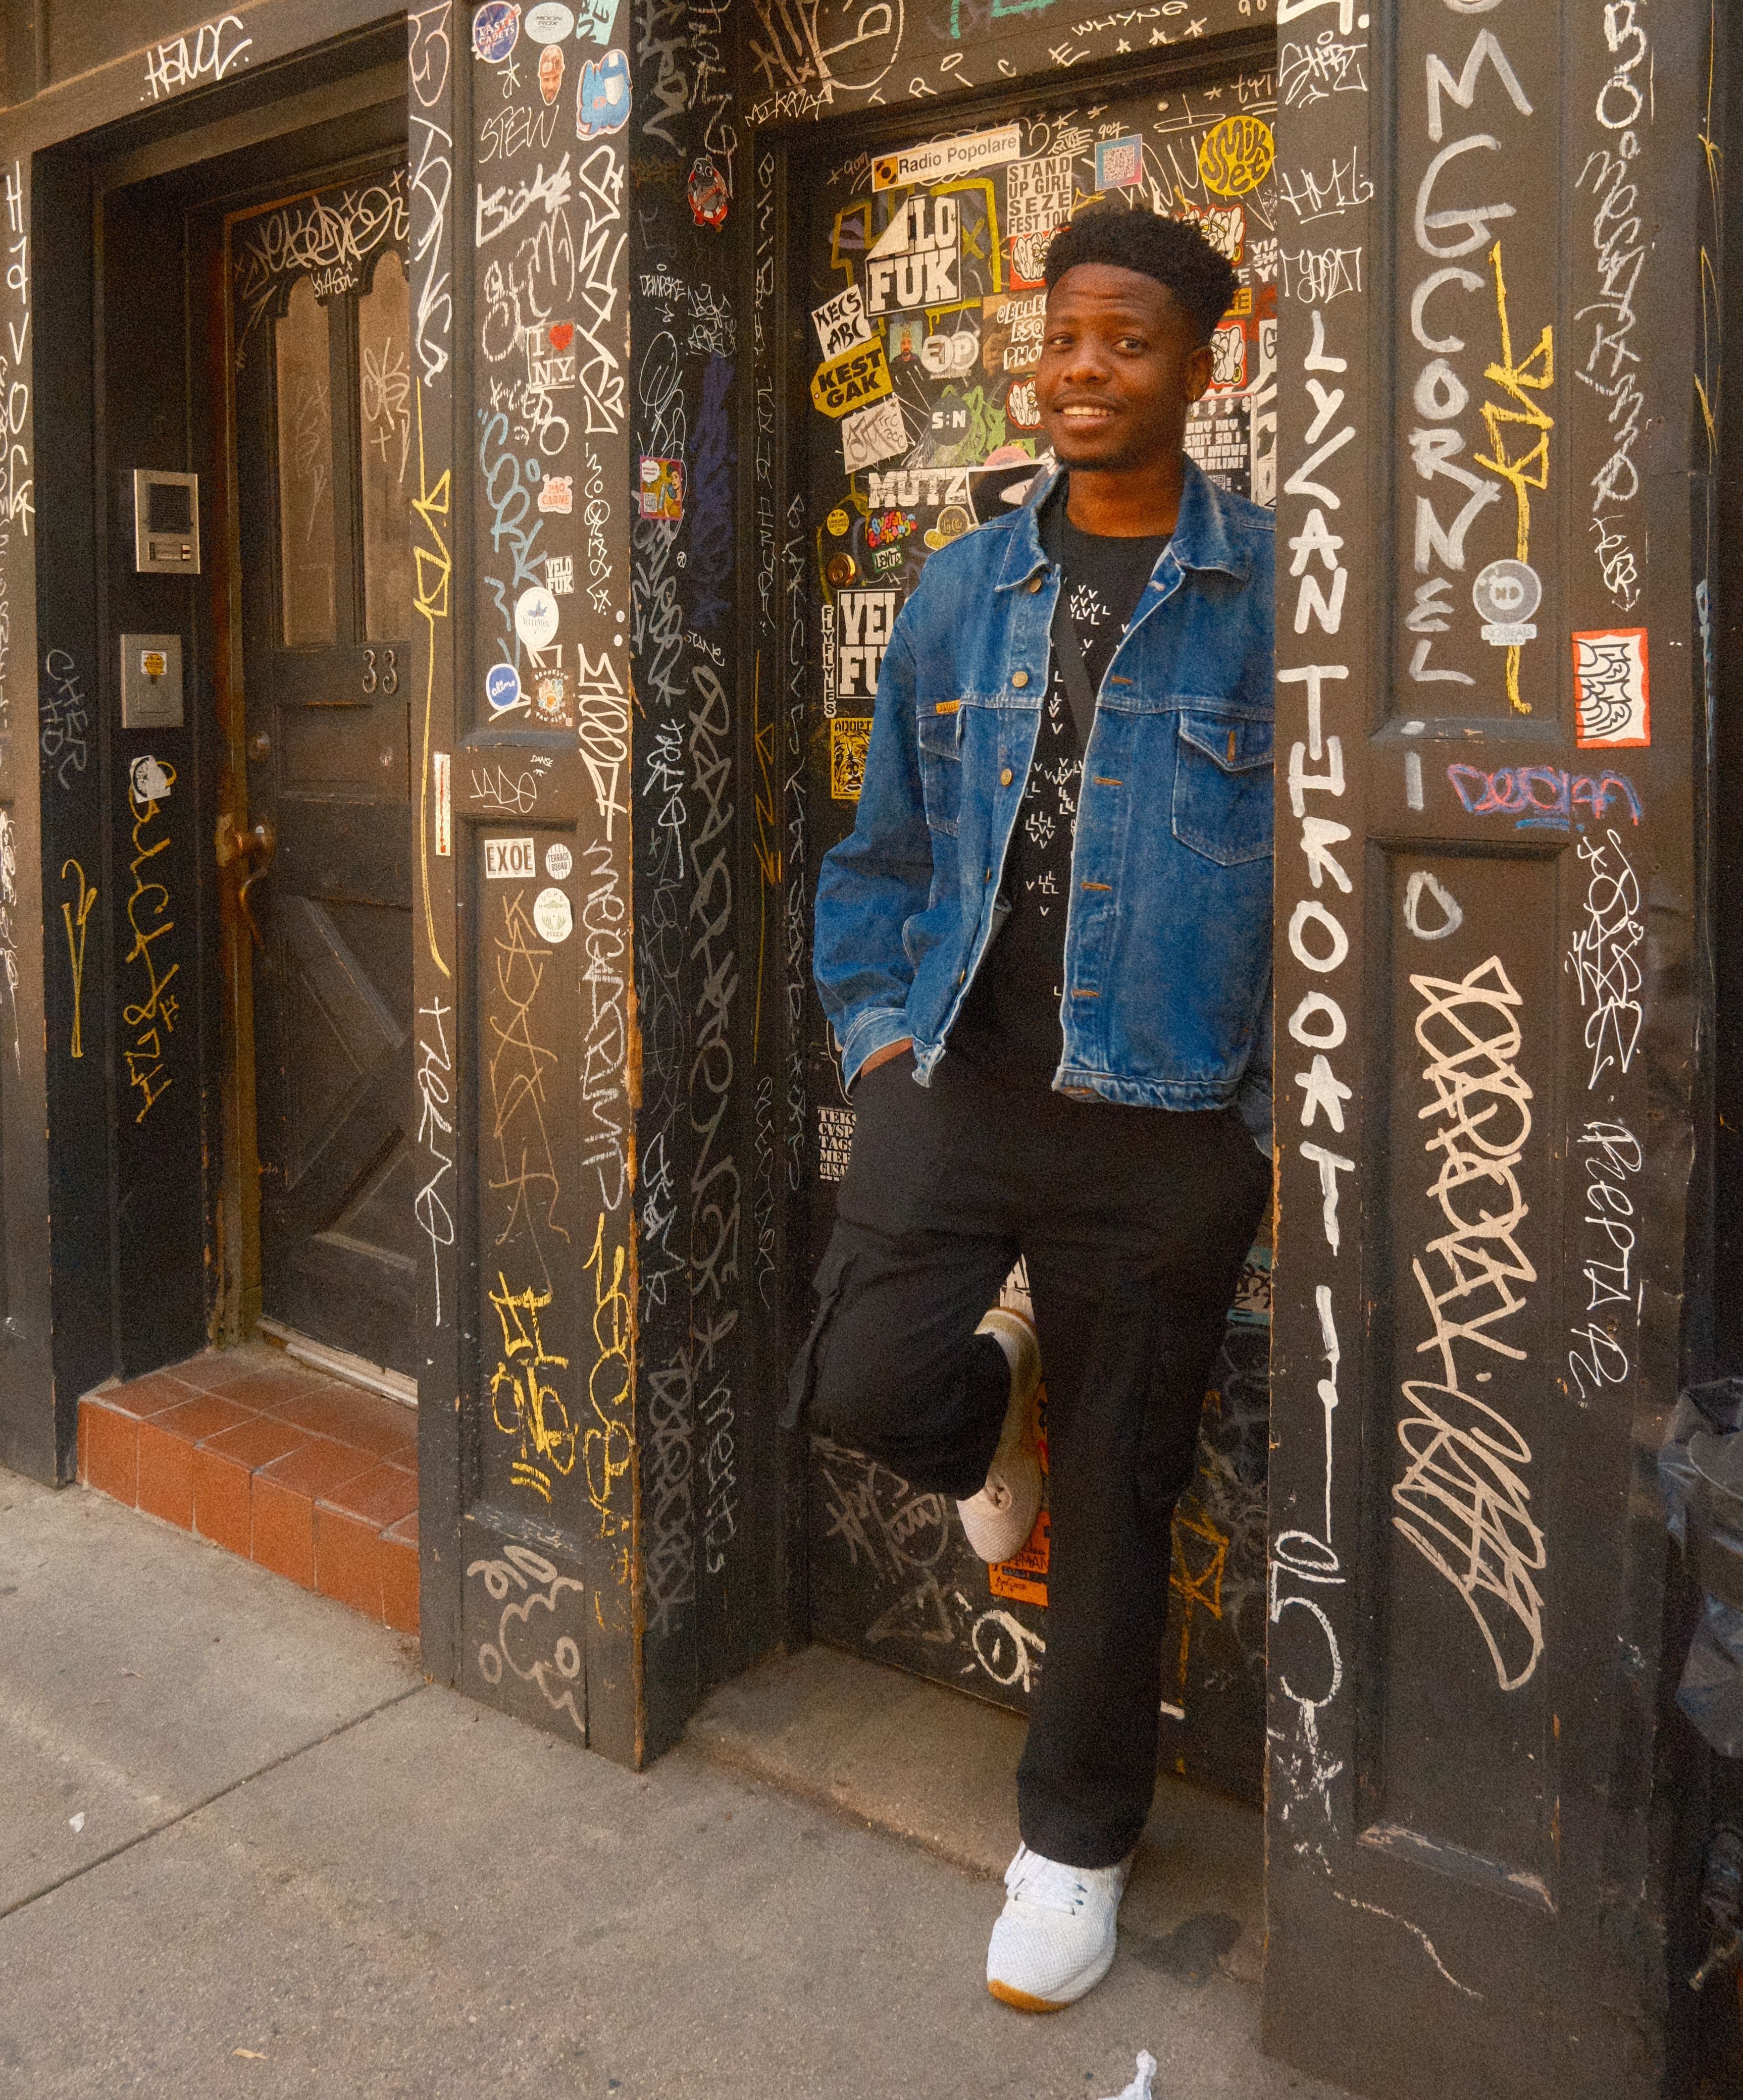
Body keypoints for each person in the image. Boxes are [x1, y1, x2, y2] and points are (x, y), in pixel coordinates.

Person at [793, 204, 1275, 2012]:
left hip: (1168, 1123)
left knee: (1124, 1498)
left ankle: (1074, 1847)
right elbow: (886, 844)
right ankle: (990, 1398)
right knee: (861, 1380)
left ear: (1198, 367)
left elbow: (1333, 881)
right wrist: (875, 1033)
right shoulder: (960, 588)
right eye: (1064, 336)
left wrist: (1259, 1118)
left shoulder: (1277, 592)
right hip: (962, 1078)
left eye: (1127, 342)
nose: (1084, 370)